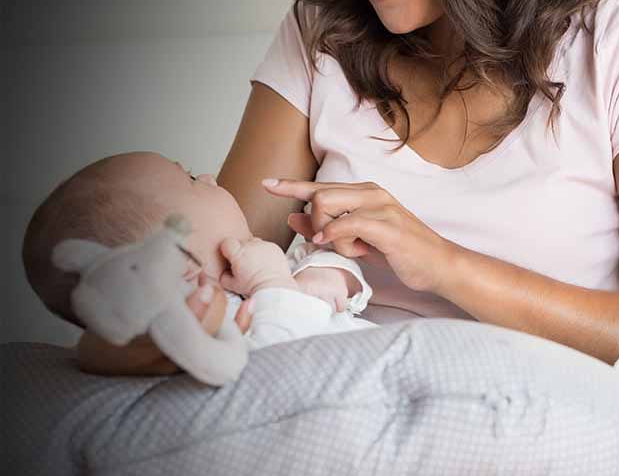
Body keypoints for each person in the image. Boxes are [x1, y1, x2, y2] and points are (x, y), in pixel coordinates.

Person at [94, 0, 619, 476]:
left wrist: (444, 264)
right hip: (336, 448)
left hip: (533, 456)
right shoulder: (322, 39)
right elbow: (204, 266)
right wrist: (132, 327)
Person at [22, 152, 376, 367]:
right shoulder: (210, 324)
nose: (209, 177)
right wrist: (273, 285)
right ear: (174, 259)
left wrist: (325, 272)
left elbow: (338, 283)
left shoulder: (265, 265)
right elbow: (280, 363)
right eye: (191, 179)